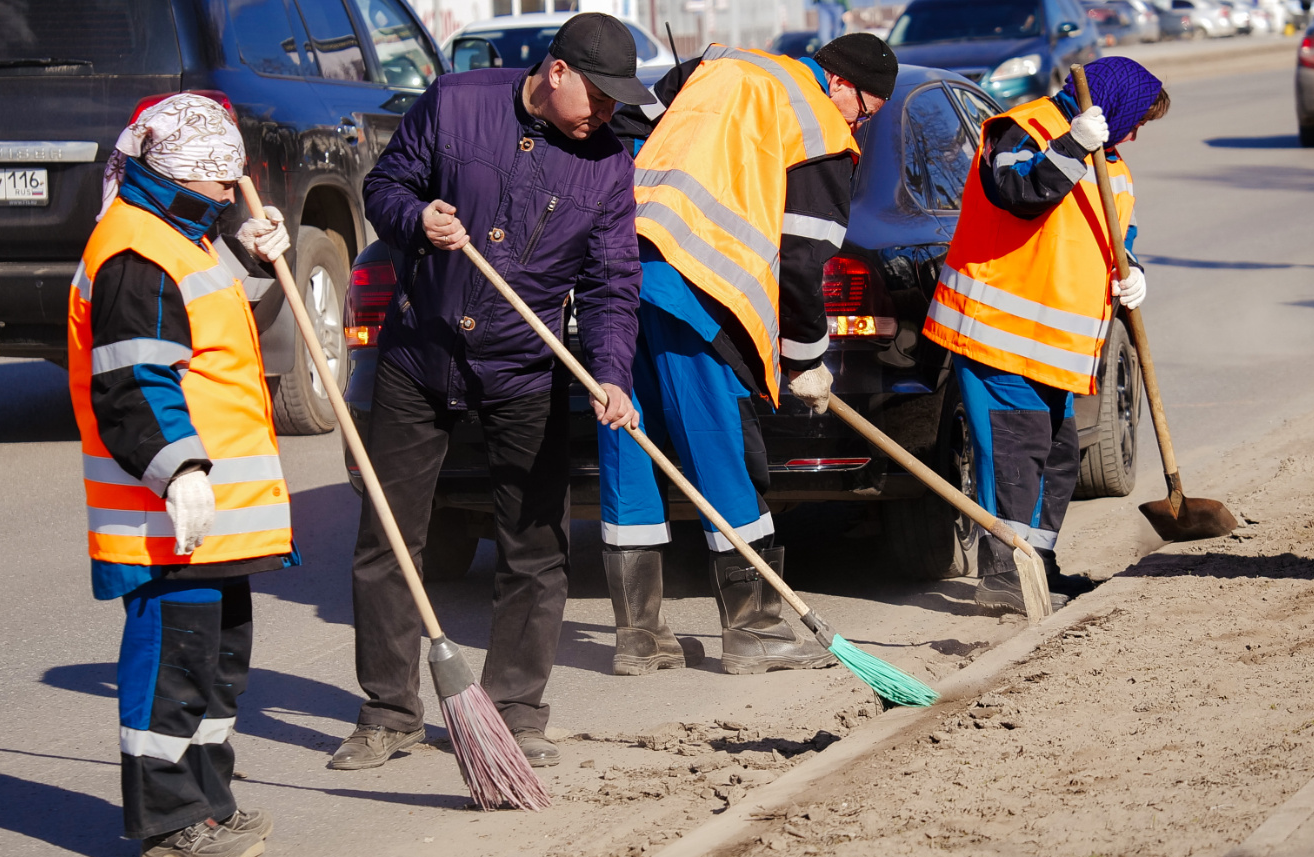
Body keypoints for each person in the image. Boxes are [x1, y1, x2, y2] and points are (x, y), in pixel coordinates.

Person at [336, 12, 651, 771]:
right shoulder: (453, 102)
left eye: (618, 101)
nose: (609, 113)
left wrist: (611, 373)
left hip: (522, 368)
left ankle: (514, 710)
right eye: (599, 96)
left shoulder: (608, 163)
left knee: (536, 548)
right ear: (556, 72)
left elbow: (611, 284)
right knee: (388, 539)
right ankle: (387, 712)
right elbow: (385, 186)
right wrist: (417, 218)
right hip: (422, 351)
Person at [596, 34, 897, 676]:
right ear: (840, 84)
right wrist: (809, 360)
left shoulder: (717, 67)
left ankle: (638, 639)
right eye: (865, 110)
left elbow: (621, 123)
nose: (860, 125)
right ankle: (755, 629)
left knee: (627, 438)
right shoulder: (819, 125)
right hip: (700, 292)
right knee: (722, 452)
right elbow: (802, 262)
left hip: (620, 275)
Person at [68, 93, 297, 857]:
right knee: (174, 668)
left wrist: (254, 263)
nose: (234, 192)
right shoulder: (136, 253)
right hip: (166, 516)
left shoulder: (184, 238)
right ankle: (170, 821)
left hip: (211, 522)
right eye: (222, 181)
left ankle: (210, 801)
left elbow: (212, 342)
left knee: (217, 668)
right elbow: (135, 383)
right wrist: (181, 470)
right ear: (182, 177)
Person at [922, 57, 1169, 611]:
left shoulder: (1112, 160)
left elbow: (1111, 234)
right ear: (1112, 108)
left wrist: (1132, 272)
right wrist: (1072, 147)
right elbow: (1018, 193)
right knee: (1015, 455)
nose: (1133, 135)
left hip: (1054, 347)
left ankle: (1039, 566)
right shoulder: (1020, 130)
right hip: (999, 335)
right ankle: (1005, 581)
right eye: (1135, 121)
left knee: (1057, 455)